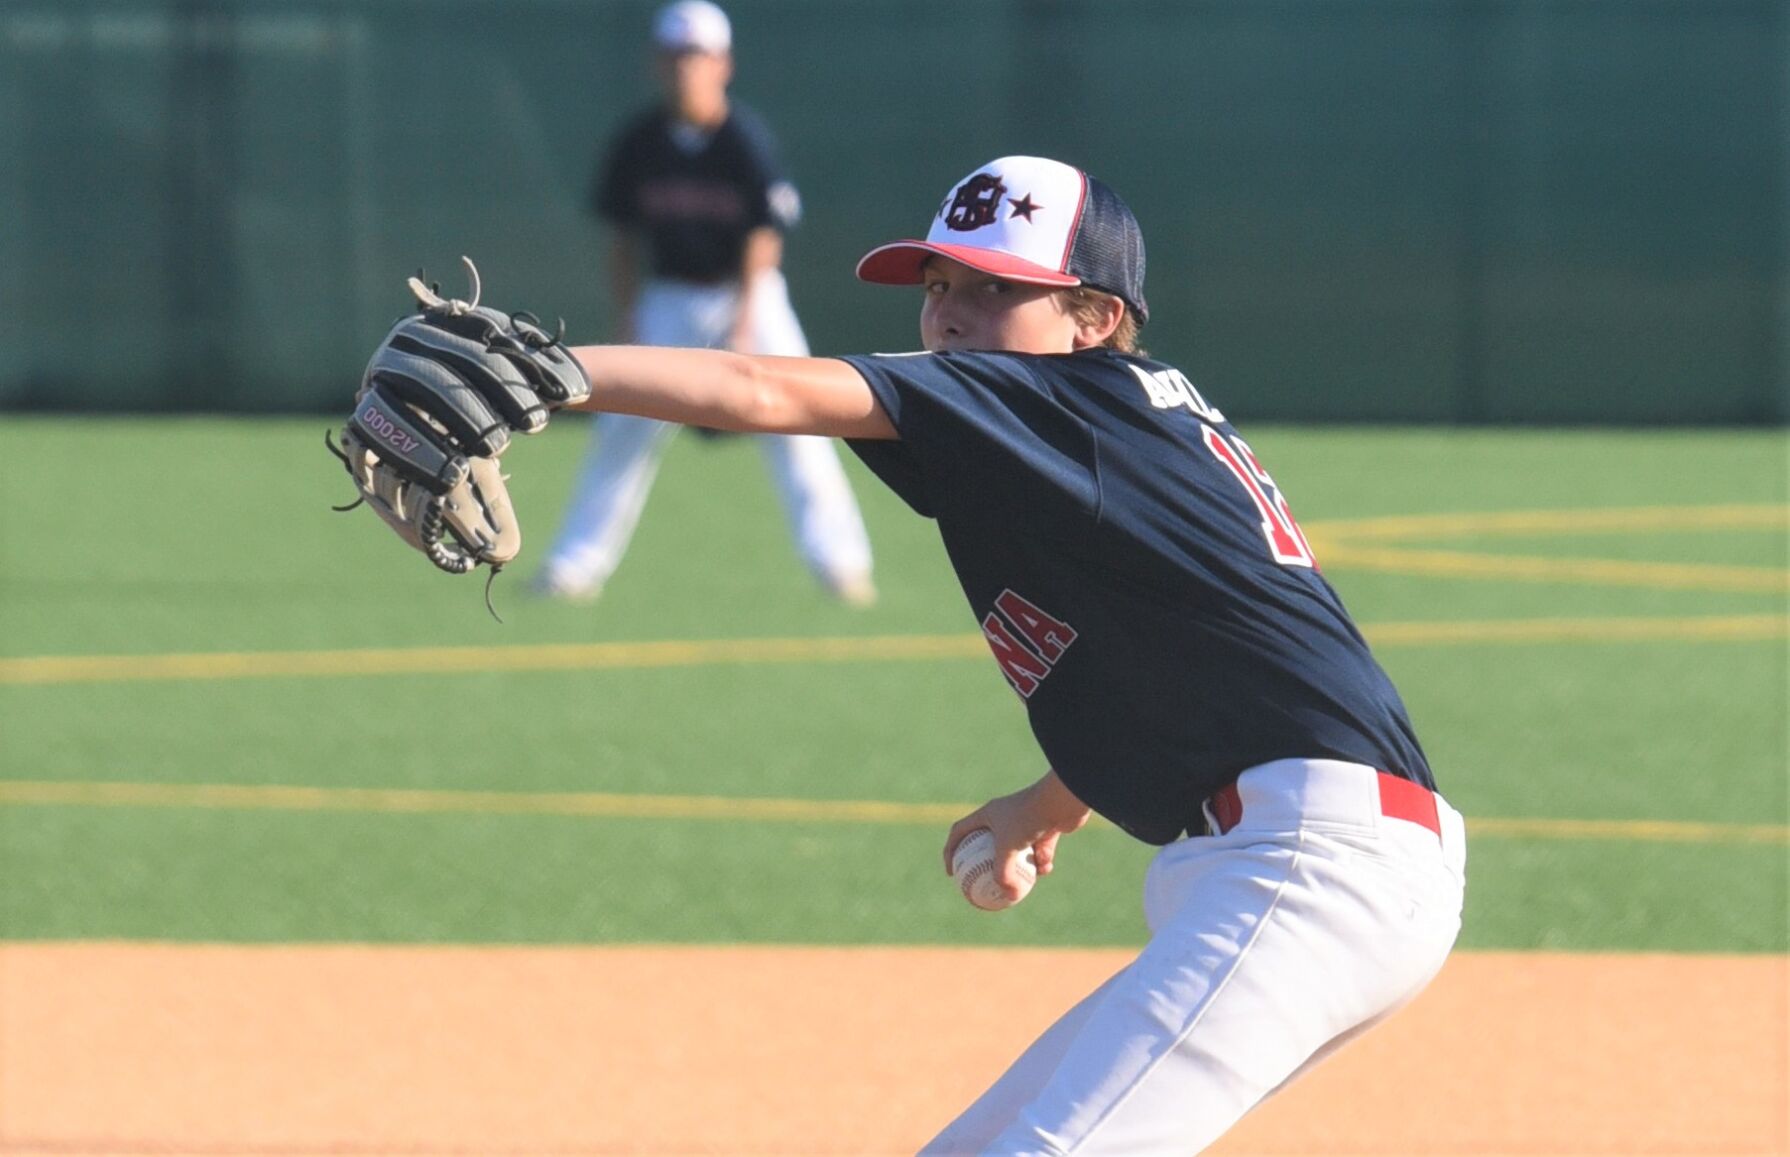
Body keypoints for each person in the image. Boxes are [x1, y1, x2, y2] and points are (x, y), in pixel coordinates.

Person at [560, 155, 1468, 1154]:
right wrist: (1053, 798)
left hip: (1309, 867)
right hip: (1301, 859)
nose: (949, 313)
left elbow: (753, 385)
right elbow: (1181, 648)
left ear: (1093, 319)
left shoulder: (1062, 401)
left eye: (996, 289)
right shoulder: (1093, 423)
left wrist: (549, 372)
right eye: (938, 286)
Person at [534, 0, 876, 606]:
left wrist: (744, 324)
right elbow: (622, 239)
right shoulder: (638, 142)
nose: (685, 67)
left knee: (801, 423)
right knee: (622, 427)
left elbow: (763, 237)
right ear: (656, 64)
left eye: (697, 55)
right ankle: (573, 567)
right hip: (669, 297)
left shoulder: (743, 139)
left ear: (724, 64)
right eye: (674, 55)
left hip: (748, 296)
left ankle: (841, 564)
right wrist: (629, 315)